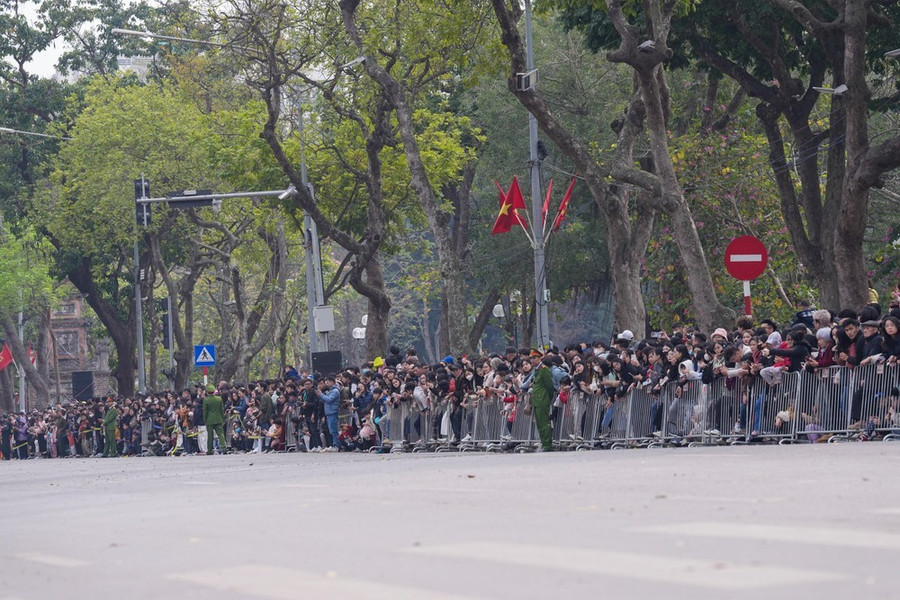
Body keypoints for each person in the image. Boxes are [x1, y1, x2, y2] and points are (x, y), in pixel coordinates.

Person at [528, 355, 555, 452]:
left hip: (542, 399)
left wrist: (548, 398)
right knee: (539, 424)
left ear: (539, 358)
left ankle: (548, 444)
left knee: (544, 423)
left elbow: (549, 385)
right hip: (536, 400)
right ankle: (544, 443)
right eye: (531, 358)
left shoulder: (544, 369)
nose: (532, 360)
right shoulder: (536, 370)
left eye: (534, 358)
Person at [203, 384, 227, 455]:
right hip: (218, 419)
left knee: (210, 436)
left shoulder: (206, 400)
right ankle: (224, 447)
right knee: (220, 434)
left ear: (207, 392)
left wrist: (205, 420)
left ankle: (210, 450)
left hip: (209, 420)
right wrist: (222, 418)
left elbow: (205, 412)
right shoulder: (219, 399)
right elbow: (221, 410)